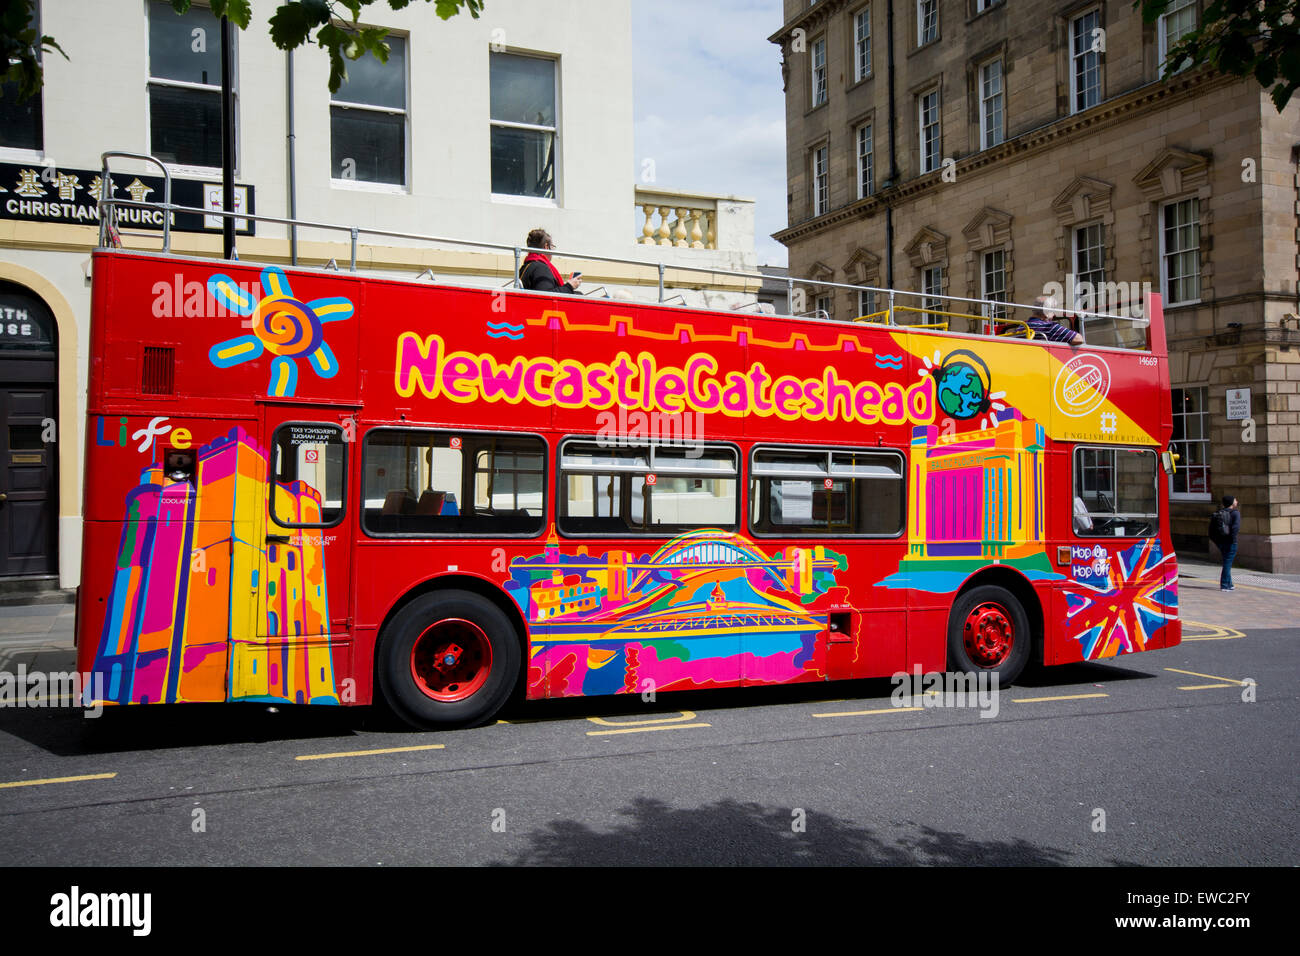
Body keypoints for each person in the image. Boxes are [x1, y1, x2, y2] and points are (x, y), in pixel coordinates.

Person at [519, 228, 582, 294]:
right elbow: (548, 296)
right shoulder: (540, 268)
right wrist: (570, 286)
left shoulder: (526, 266)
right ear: (546, 247)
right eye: (552, 246)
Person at [1215, 495, 1241, 591]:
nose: (1236, 501)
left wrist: (1218, 541)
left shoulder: (1219, 512)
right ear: (1231, 503)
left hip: (1221, 542)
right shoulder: (1235, 513)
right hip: (1230, 542)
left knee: (1227, 561)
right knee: (1227, 563)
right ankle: (1225, 585)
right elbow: (1235, 528)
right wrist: (1232, 539)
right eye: (1235, 500)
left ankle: (1229, 584)